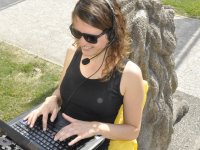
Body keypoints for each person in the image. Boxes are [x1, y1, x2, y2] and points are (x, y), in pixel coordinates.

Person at [24, 0, 145, 149]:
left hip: (90, 144)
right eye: (76, 33)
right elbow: (61, 92)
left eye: (91, 37)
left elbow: (132, 130)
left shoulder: (130, 74)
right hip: (57, 135)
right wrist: (52, 99)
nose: (82, 43)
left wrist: (95, 127)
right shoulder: (73, 52)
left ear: (113, 34)